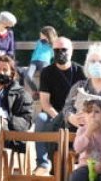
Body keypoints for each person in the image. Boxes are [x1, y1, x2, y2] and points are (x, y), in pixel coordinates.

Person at [34, 36, 85, 175]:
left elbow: (85, 101)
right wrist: (60, 117)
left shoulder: (81, 72)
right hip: (54, 115)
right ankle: (43, 163)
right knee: (41, 119)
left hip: (76, 116)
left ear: (71, 51)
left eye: (64, 49)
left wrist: (72, 117)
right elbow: (45, 103)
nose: (60, 53)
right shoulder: (47, 72)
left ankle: (83, 162)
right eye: (56, 50)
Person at [68, 100, 101, 181]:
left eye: (97, 112)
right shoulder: (82, 131)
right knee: (75, 177)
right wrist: (88, 131)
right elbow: (77, 149)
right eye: (89, 112)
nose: (92, 115)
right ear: (85, 117)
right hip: (85, 167)